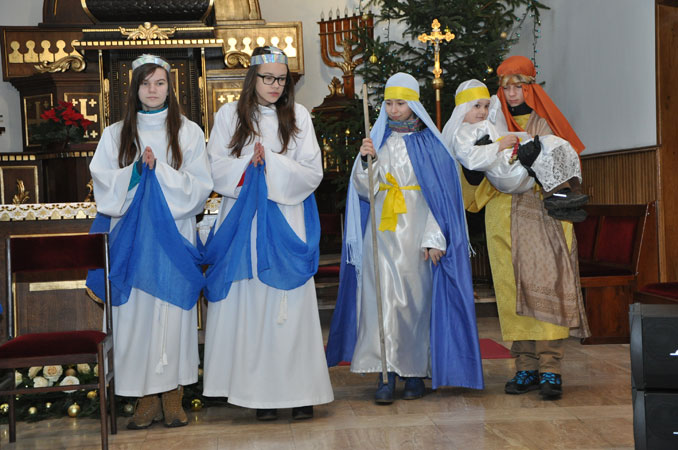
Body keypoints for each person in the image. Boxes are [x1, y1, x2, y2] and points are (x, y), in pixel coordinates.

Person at [326, 73, 484, 405]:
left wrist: (435, 237)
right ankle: (385, 372)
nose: (394, 109)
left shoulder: (432, 145)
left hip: (416, 235)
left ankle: (414, 372)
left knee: (414, 302)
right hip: (381, 233)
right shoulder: (378, 141)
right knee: (381, 300)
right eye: (388, 103)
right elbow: (364, 191)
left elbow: (441, 198)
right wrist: (366, 162)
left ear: (413, 104)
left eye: (400, 103)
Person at [202, 46, 333, 421]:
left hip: (287, 218)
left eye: (281, 79)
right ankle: (260, 395)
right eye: (268, 78)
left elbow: (312, 171)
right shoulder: (229, 115)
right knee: (251, 303)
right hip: (245, 220)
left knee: (289, 304)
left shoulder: (299, 116)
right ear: (253, 78)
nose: (275, 85)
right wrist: (249, 165)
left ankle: (301, 392)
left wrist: (270, 164)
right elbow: (215, 167)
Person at [88, 54, 213, 428]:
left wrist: (161, 173)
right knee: (137, 317)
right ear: (134, 89)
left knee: (172, 315)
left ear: (170, 88)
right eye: (145, 83)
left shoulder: (188, 132)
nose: (153, 90)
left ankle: (173, 395)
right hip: (132, 240)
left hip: (173, 237)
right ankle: (145, 399)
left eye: (159, 83)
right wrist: (136, 172)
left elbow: (199, 186)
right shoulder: (116, 134)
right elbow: (103, 183)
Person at [459, 56, 590, 400]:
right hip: (502, 217)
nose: (512, 93)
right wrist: (473, 168)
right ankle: (525, 366)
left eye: (518, 86)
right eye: (506, 88)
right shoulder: (490, 124)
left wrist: (539, 165)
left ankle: (551, 368)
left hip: (544, 217)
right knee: (511, 291)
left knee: (548, 287)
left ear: (531, 87)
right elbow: (474, 177)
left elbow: (567, 171)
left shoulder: (547, 122)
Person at [442, 79, 587, 221]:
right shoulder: (462, 132)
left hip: (509, 164)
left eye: (486, 106)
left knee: (553, 142)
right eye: (477, 106)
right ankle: (558, 199)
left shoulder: (484, 124)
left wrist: (517, 140)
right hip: (501, 172)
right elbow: (469, 157)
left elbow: (500, 138)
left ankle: (569, 197)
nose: (483, 111)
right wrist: (499, 145)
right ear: (464, 107)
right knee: (542, 148)